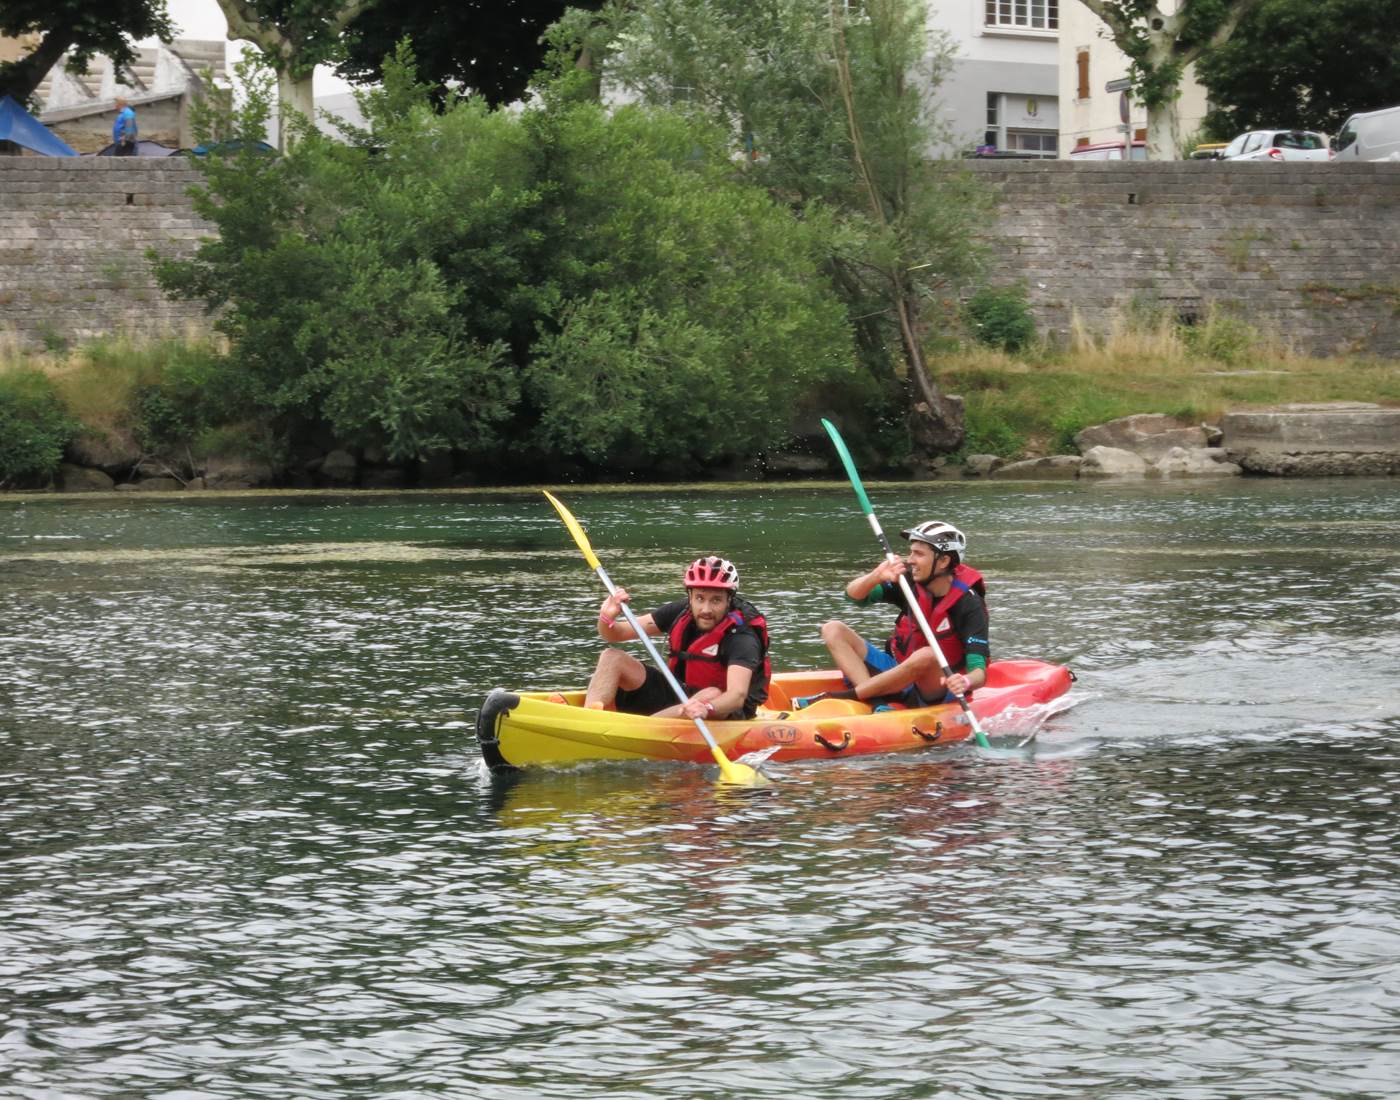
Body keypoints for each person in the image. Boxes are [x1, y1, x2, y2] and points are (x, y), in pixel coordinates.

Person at [802, 520, 989, 709]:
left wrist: (965, 682)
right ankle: (875, 701)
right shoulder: (909, 583)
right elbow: (853, 597)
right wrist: (876, 575)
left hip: (936, 687)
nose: (910, 560)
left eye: (919, 554)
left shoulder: (969, 604)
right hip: (897, 670)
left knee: (927, 655)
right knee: (833, 629)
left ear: (943, 561)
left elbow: (979, 673)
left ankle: (845, 697)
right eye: (911, 552)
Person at [584, 555, 771, 721]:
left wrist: (706, 708)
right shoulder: (681, 612)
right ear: (690, 596)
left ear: (729, 600)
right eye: (700, 598)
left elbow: (737, 696)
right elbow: (616, 633)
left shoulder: (742, 634)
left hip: (721, 710)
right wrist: (607, 617)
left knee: (711, 694)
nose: (706, 609)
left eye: (716, 600)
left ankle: (642, 729)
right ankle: (589, 720)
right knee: (612, 657)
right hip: (681, 697)